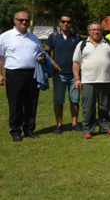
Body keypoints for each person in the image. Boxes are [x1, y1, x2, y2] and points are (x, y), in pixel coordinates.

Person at [0, 12, 47, 141]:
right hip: (14, 74)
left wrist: (40, 56)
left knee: (31, 102)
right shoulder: (5, 37)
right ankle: (15, 131)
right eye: (21, 20)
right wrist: (0, 75)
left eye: (26, 20)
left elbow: (39, 51)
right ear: (14, 20)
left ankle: (29, 129)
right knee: (15, 103)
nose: (24, 22)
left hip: (32, 73)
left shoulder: (33, 37)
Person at [72, 22, 110, 139]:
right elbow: (75, 62)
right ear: (89, 31)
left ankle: (105, 127)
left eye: (98, 30)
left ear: (101, 31)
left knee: (104, 107)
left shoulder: (108, 43)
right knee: (88, 107)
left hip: (106, 80)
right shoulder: (82, 44)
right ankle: (87, 130)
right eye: (93, 30)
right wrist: (76, 78)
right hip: (88, 81)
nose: (96, 32)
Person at [45, 13, 83, 134]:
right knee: (58, 101)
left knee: (75, 100)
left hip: (74, 75)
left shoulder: (77, 37)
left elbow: (82, 53)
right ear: (59, 22)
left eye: (68, 22)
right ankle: (59, 125)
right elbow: (47, 52)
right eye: (63, 21)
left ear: (72, 23)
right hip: (59, 74)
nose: (66, 24)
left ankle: (74, 123)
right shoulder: (53, 37)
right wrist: (53, 64)